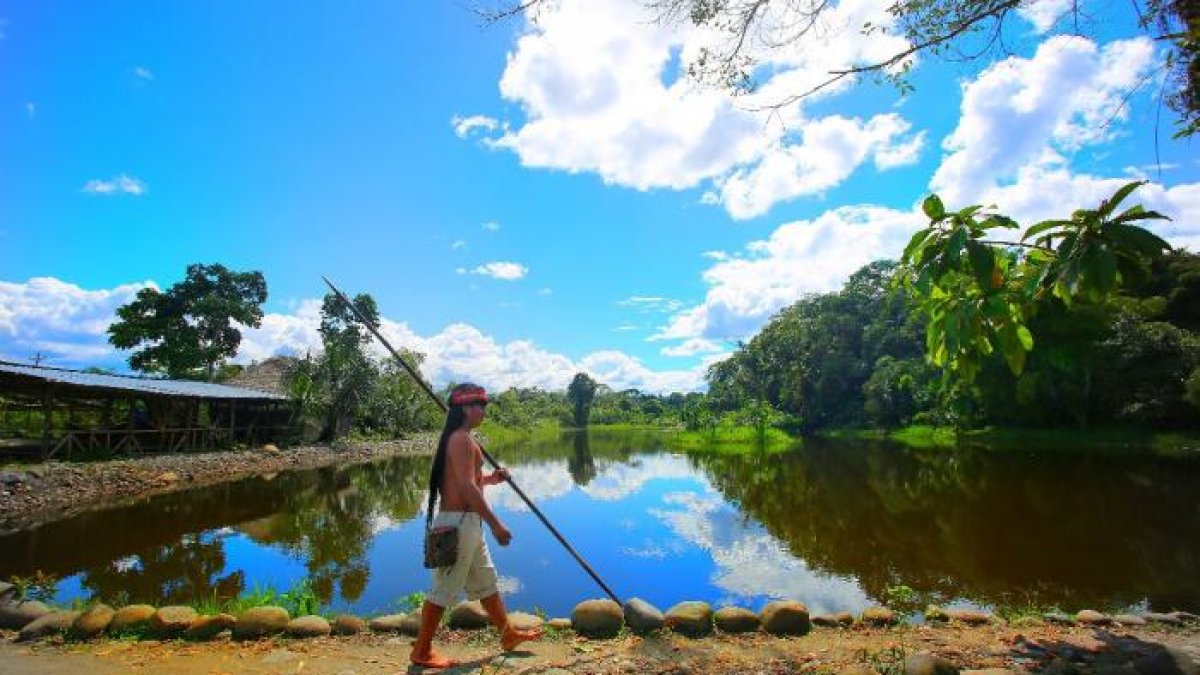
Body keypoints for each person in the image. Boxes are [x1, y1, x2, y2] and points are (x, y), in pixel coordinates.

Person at [410, 383, 542, 669]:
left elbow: (468, 482)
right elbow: (467, 489)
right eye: (479, 406)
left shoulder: (463, 439)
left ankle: (507, 635)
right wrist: (496, 524)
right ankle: (421, 650)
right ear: (465, 409)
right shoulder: (460, 439)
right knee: (443, 589)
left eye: (484, 405)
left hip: (468, 523)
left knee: (486, 581)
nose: (484, 411)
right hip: (458, 524)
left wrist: (492, 479)